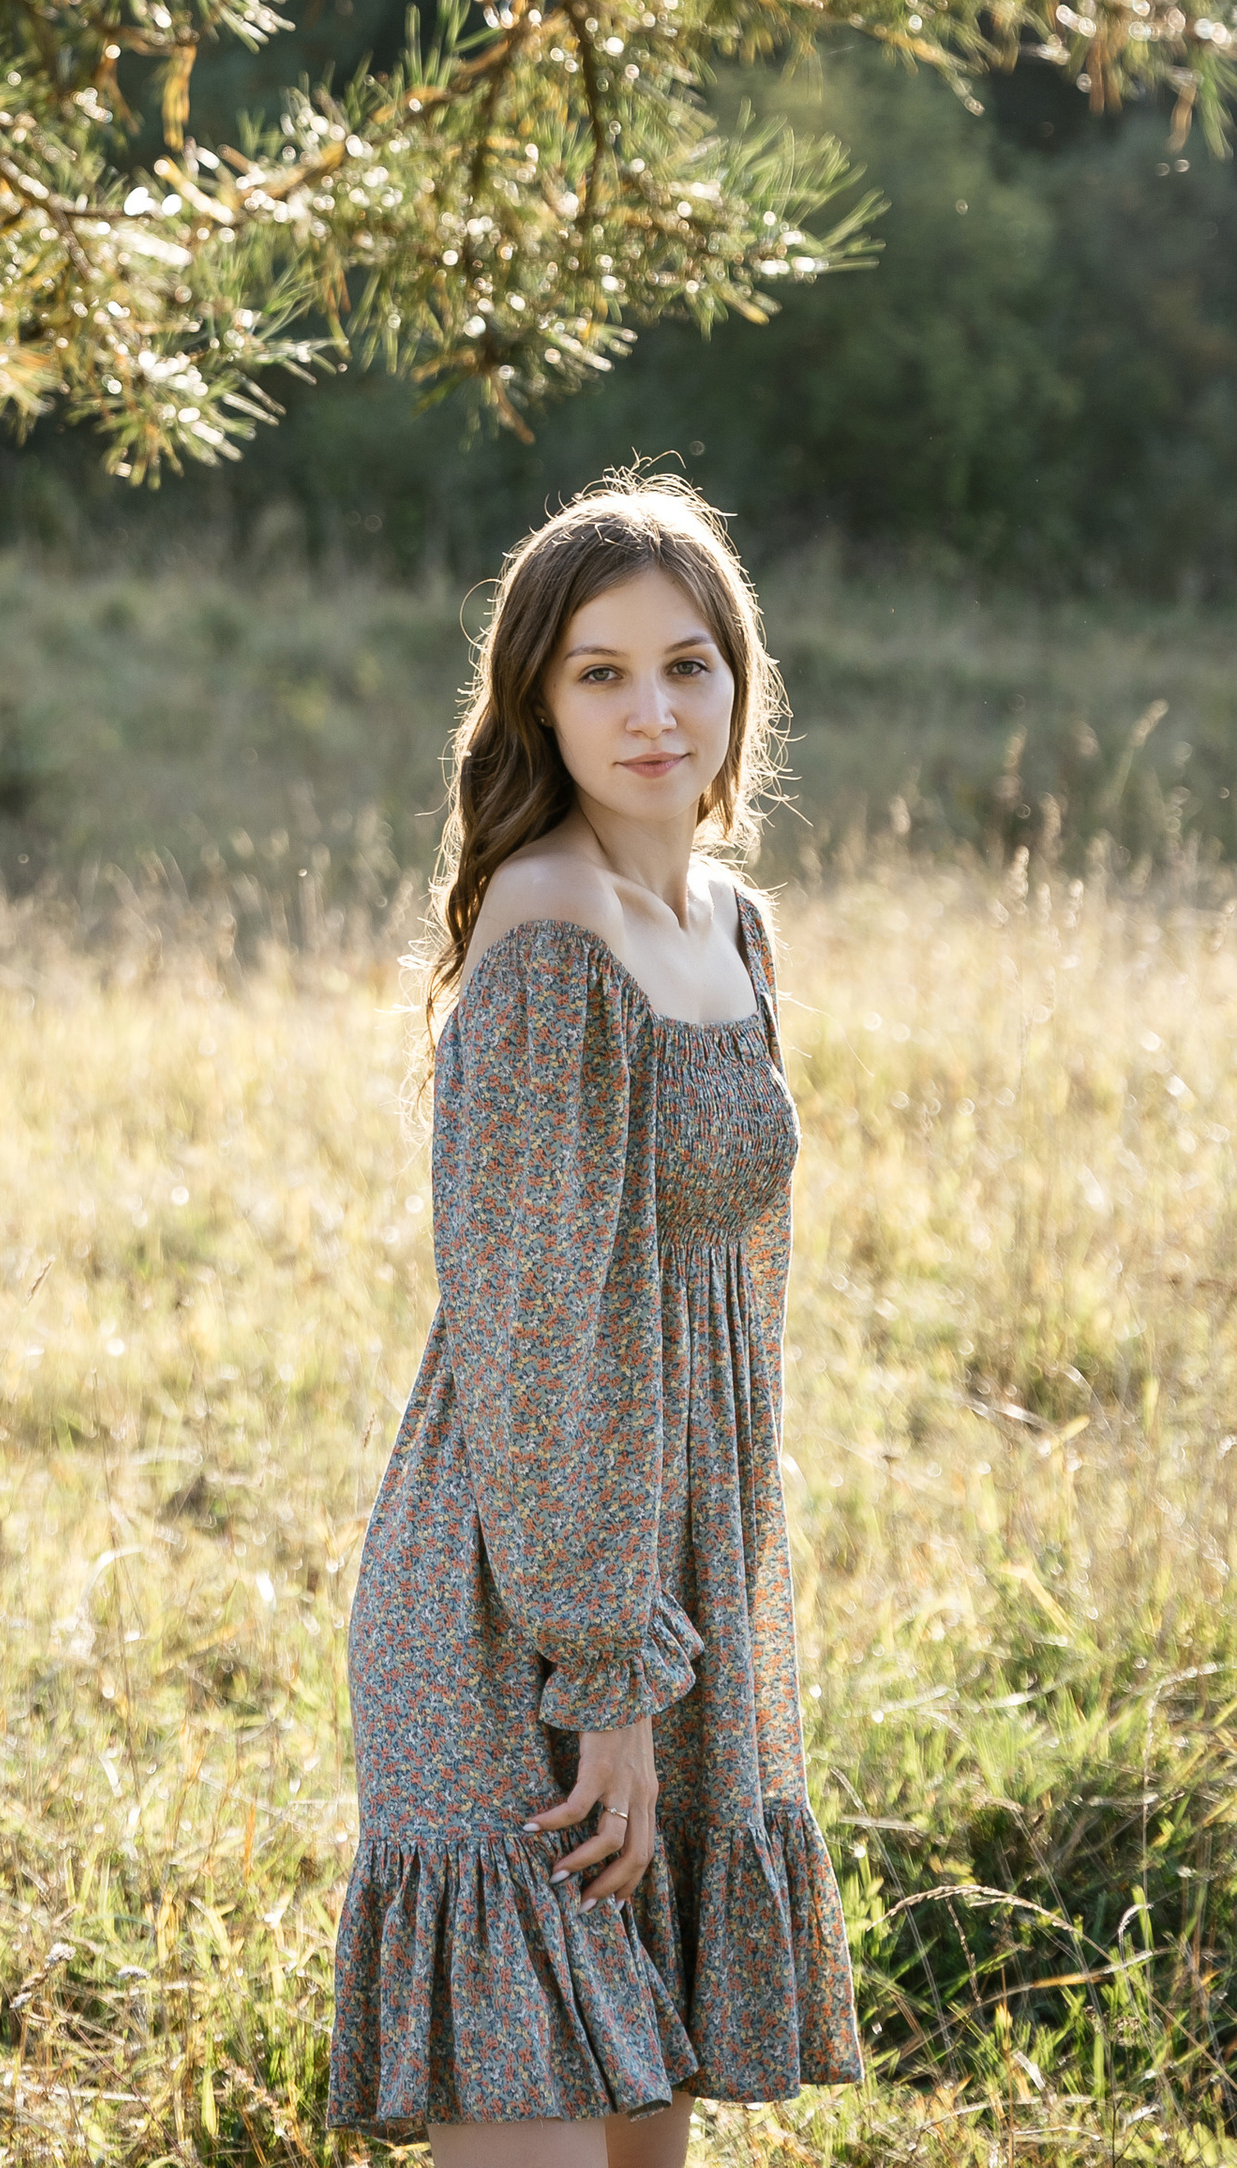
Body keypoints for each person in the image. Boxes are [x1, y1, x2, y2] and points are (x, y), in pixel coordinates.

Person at [328, 473, 861, 2163]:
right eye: (600, 672)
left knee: (649, 2148)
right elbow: (542, 1347)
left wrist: (675, 1638)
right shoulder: (551, 941)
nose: (652, 711)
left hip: (674, 1578)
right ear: (535, 704)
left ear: (739, 687)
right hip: (524, 1603)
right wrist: (608, 1675)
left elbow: (716, 1298)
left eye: (687, 666)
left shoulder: (733, 924)